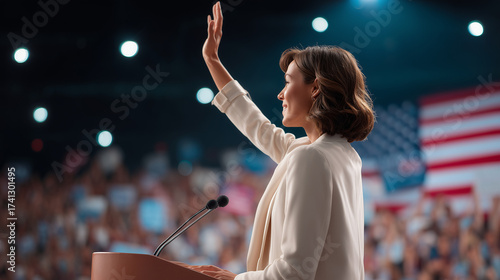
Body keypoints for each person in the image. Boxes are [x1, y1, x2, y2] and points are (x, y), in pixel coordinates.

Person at [187, 2, 375, 279]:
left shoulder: (312, 157)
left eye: (288, 82)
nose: (281, 94)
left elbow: (295, 272)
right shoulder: (339, 154)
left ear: (315, 89)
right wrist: (213, 61)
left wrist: (234, 279)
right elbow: (259, 128)